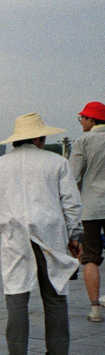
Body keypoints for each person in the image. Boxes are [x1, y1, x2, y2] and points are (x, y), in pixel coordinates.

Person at [0, 113, 83, 355]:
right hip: (50, 233)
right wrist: (74, 234)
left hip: (13, 233)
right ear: (37, 137)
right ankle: (58, 352)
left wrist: (3, 215)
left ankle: (17, 353)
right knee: (55, 292)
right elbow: (71, 203)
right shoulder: (57, 163)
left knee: (16, 291)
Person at [70, 101, 105, 322]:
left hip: (90, 207)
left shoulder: (83, 142)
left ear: (92, 119)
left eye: (83, 118)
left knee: (90, 257)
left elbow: (73, 177)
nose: (81, 122)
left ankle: (94, 310)